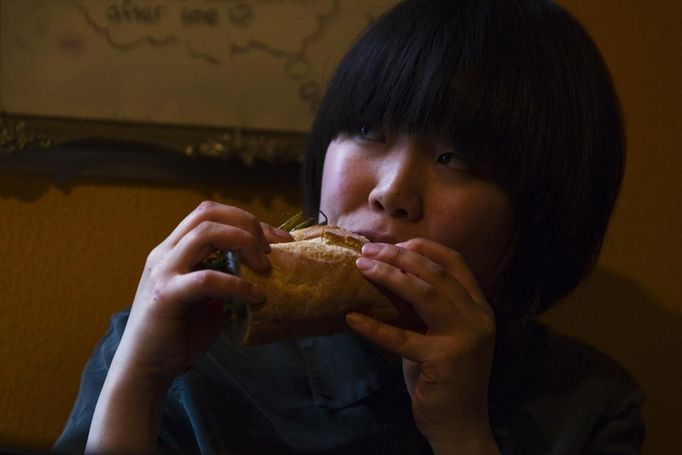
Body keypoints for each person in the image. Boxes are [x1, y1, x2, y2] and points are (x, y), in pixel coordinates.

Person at [55, 0, 645, 453]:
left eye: (455, 159)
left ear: (544, 204)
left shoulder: (588, 408)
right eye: (367, 130)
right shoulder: (180, 346)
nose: (391, 191)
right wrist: (139, 378)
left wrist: (462, 433)